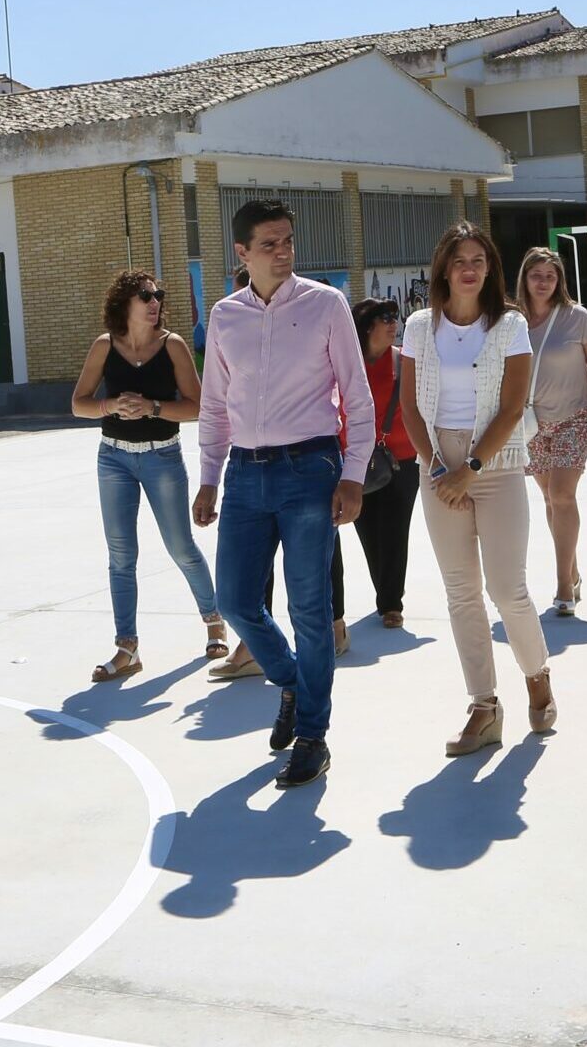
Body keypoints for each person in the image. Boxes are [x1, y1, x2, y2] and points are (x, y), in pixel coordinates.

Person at [194, 200, 374, 790]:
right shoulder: (224, 316)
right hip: (245, 474)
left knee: (309, 610)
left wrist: (353, 474)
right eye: (269, 244)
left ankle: (313, 737)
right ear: (241, 254)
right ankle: (293, 681)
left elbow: (357, 394)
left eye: (288, 241)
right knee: (237, 601)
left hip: (310, 472)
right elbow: (215, 405)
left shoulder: (325, 304)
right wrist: (210, 477)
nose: (283, 252)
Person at [401, 222, 554, 756]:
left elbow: (512, 407)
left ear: (490, 268)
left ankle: (536, 673)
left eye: (479, 260)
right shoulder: (420, 326)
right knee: (461, 590)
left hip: (499, 459)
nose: (469, 269)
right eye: (459, 260)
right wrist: (438, 467)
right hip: (437, 461)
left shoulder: (509, 326)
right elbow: (410, 406)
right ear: (443, 266)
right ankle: (484, 706)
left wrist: (472, 466)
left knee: (507, 589)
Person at [69, 270, 224, 682]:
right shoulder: (105, 346)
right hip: (114, 460)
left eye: (158, 294)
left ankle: (214, 621)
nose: (155, 301)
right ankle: (127, 648)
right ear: (125, 302)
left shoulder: (172, 345)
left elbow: (196, 407)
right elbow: (79, 404)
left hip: (163, 458)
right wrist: (112, 406)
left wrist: (153, 407)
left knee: (181, 547)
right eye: (145, 295)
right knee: (121, 557)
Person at [515, 246, 587, 616]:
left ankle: (562, 585)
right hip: (530, 422)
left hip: (574, 417)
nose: (543, 282)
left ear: (560, 281)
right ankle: (572, 569)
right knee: (549, 499)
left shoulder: (576, 318)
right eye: (536, 275)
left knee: (562, 495)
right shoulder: (512, 320)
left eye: (550, 277)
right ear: (524, 277)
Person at [349, 296, 420, 630]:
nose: (394, 323)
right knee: (369, 533)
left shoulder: (404, 361)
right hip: (356, 461)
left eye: (395, 317)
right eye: (385, 318)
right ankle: (385, 590)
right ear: (366, 326)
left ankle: (391, 603)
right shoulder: (347, 365)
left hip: (402, 459)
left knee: (394, 530)